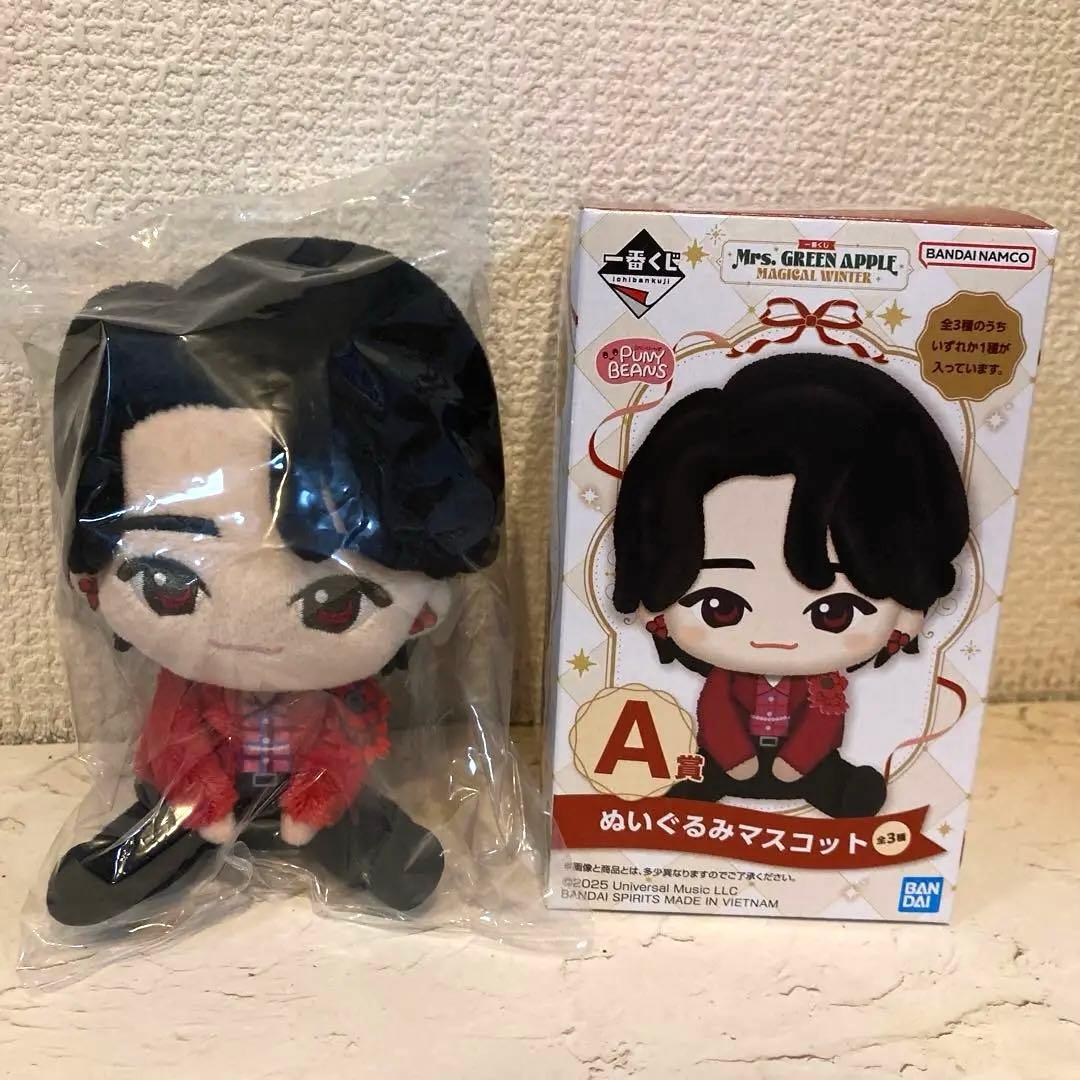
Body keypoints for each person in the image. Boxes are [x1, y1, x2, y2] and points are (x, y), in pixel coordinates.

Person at [47, 236, 504, 925]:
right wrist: (200, 796)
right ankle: (160, 847)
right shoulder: (190, 688)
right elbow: (174, 737)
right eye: (169, 585)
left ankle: (352, 842)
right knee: (168, 812)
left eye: (333, 603)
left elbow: (345, 744)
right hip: (200, 795)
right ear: (94, 580)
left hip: (313, 795)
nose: (247, 635)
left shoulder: (344, 696)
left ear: (424, 610)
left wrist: (319, 796)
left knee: (356, 827)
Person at [612, 353, 968, 818]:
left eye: (834, 612)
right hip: (730, 757)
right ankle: (711, 784)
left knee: (831, 779)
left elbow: (822, 724)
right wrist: (735, 759)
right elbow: (717, 714)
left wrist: (795, 763)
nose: (775, 637)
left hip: (805, 765)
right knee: (706, 771)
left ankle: (837, 790)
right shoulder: (725, 681)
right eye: (720, 606)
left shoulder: (825, 684)